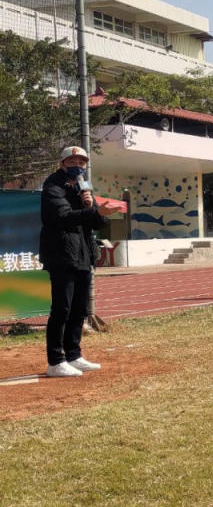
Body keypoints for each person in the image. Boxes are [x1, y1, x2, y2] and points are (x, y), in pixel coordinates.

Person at [39, 146, 124, 377]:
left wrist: (91, 207)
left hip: (83, 254)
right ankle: (55, 360)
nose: (78, 165)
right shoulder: (53, 186)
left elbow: (95, 223)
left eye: (82, 162)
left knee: (79, 309)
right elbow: (61, 217)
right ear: (62, 163)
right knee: (62, 309)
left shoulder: (83, 187)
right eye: (72, 161)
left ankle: (74, 355)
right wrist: (94, 213)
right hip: (62, 255)